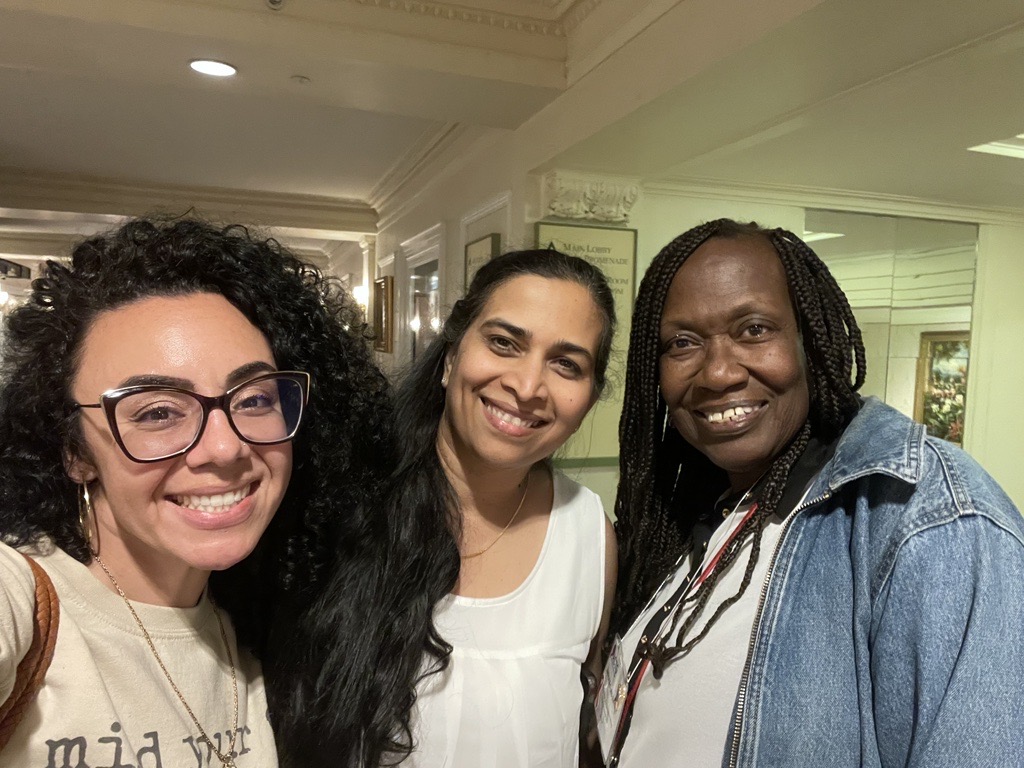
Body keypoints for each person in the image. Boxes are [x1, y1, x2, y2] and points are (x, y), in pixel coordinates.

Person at [605, 219, 1024, 767]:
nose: (717, 372)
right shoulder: (708, 509)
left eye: (754, 329)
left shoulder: (927, 519)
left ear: (809, 339)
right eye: (682, 343)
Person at [0, 218, 392, 766]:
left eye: (255, 399)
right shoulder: (21, 601)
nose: (225, 449)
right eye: (159, 411)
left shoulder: (261, 628)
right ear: (75, 451)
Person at [276, 249, 618, 767]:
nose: (527, 387)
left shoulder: (589, 532)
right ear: (451, 355)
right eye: (503, 343)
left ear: (589, 398)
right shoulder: (340, 504)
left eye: (566, 365)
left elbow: (583, 722)